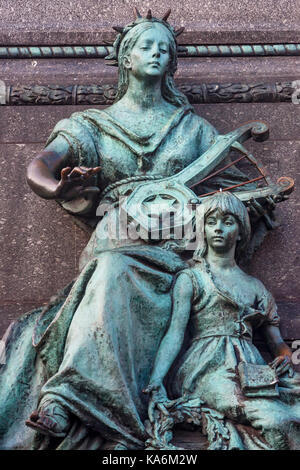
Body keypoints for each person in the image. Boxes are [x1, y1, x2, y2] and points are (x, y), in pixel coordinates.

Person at [0, 11, 277, 450]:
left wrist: (248, 206)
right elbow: (39, 167)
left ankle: (92, 399)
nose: (157, 53)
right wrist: (58, 185)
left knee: (121, 273)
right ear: (126, 58)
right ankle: (66, 397)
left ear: (172, 65)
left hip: (180, 247)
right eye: (147, 46)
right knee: (112, 270)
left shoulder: (192, 129)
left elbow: (236, 186)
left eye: (166, 49)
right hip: (118, 239)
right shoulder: (93, 125)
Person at [146, 191, 300, 450]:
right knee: (274, 419)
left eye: (228, 222)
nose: (218, 228)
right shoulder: (192, 278)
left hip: (254, 372)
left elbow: (277, 342)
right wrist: (156, 381)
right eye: (211, 221)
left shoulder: (256, 287)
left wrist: (285, 358)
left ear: (240, 231)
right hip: (206, 368)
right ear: (202, 229)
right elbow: (174, 334)